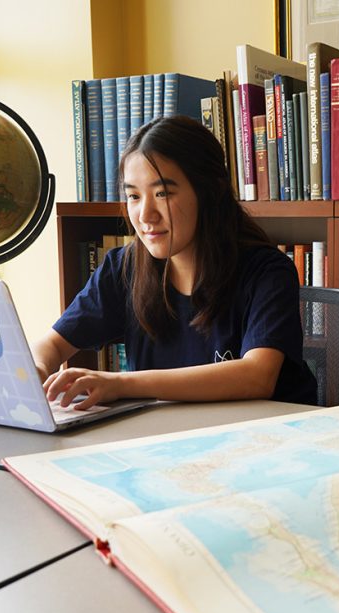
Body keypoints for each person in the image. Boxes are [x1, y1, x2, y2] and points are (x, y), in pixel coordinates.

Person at [32, 115, 317, 408]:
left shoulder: (267, 271)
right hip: (169, 440)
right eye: (133, 196)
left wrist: (119, 384)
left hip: (263, 440)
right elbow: (52, 344)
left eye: (162, 193)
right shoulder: (124, 268)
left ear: (210, 192)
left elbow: (257, 376)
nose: (145, 215)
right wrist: (36, 371)